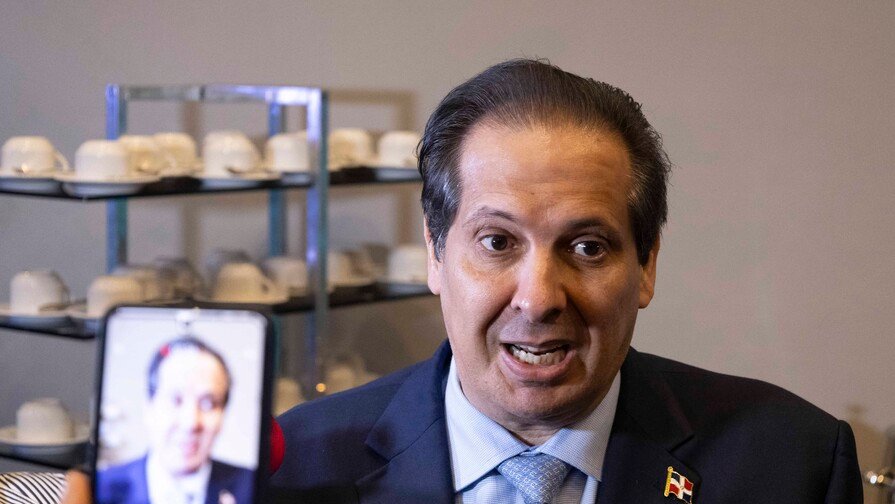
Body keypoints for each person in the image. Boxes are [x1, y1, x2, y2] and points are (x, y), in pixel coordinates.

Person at [65, 59, 862, 503]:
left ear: (646, 263)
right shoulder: (288, 472)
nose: (538, 297)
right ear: (433, 254)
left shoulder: (790, 462)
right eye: (496, 242)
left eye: (587, 246)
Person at [95, 337, 254, 504]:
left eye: (208, 404)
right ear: (149, 407)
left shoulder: (252, 487)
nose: (190, 423)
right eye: (175, 400)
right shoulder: (99, 488)